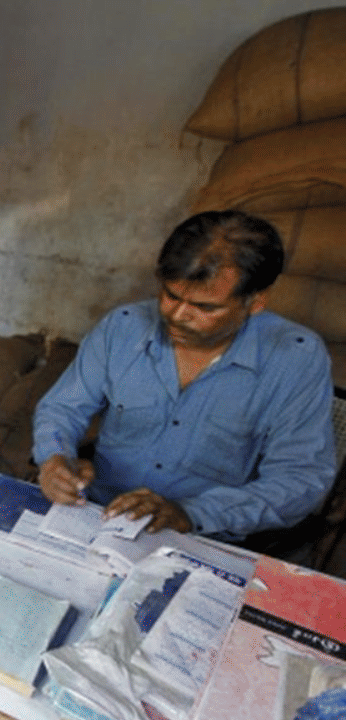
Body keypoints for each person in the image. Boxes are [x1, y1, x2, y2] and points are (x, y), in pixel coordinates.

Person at [32, 210, 336, 543]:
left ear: (255, 301)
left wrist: (191, 513)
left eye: (205, 307)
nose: (177, 316)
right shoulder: (123, 326)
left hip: (199, 536)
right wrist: (54, 458)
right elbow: (62, 408)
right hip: (94, 514)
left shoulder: (295, 358)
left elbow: (299, 478)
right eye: (171, 295)